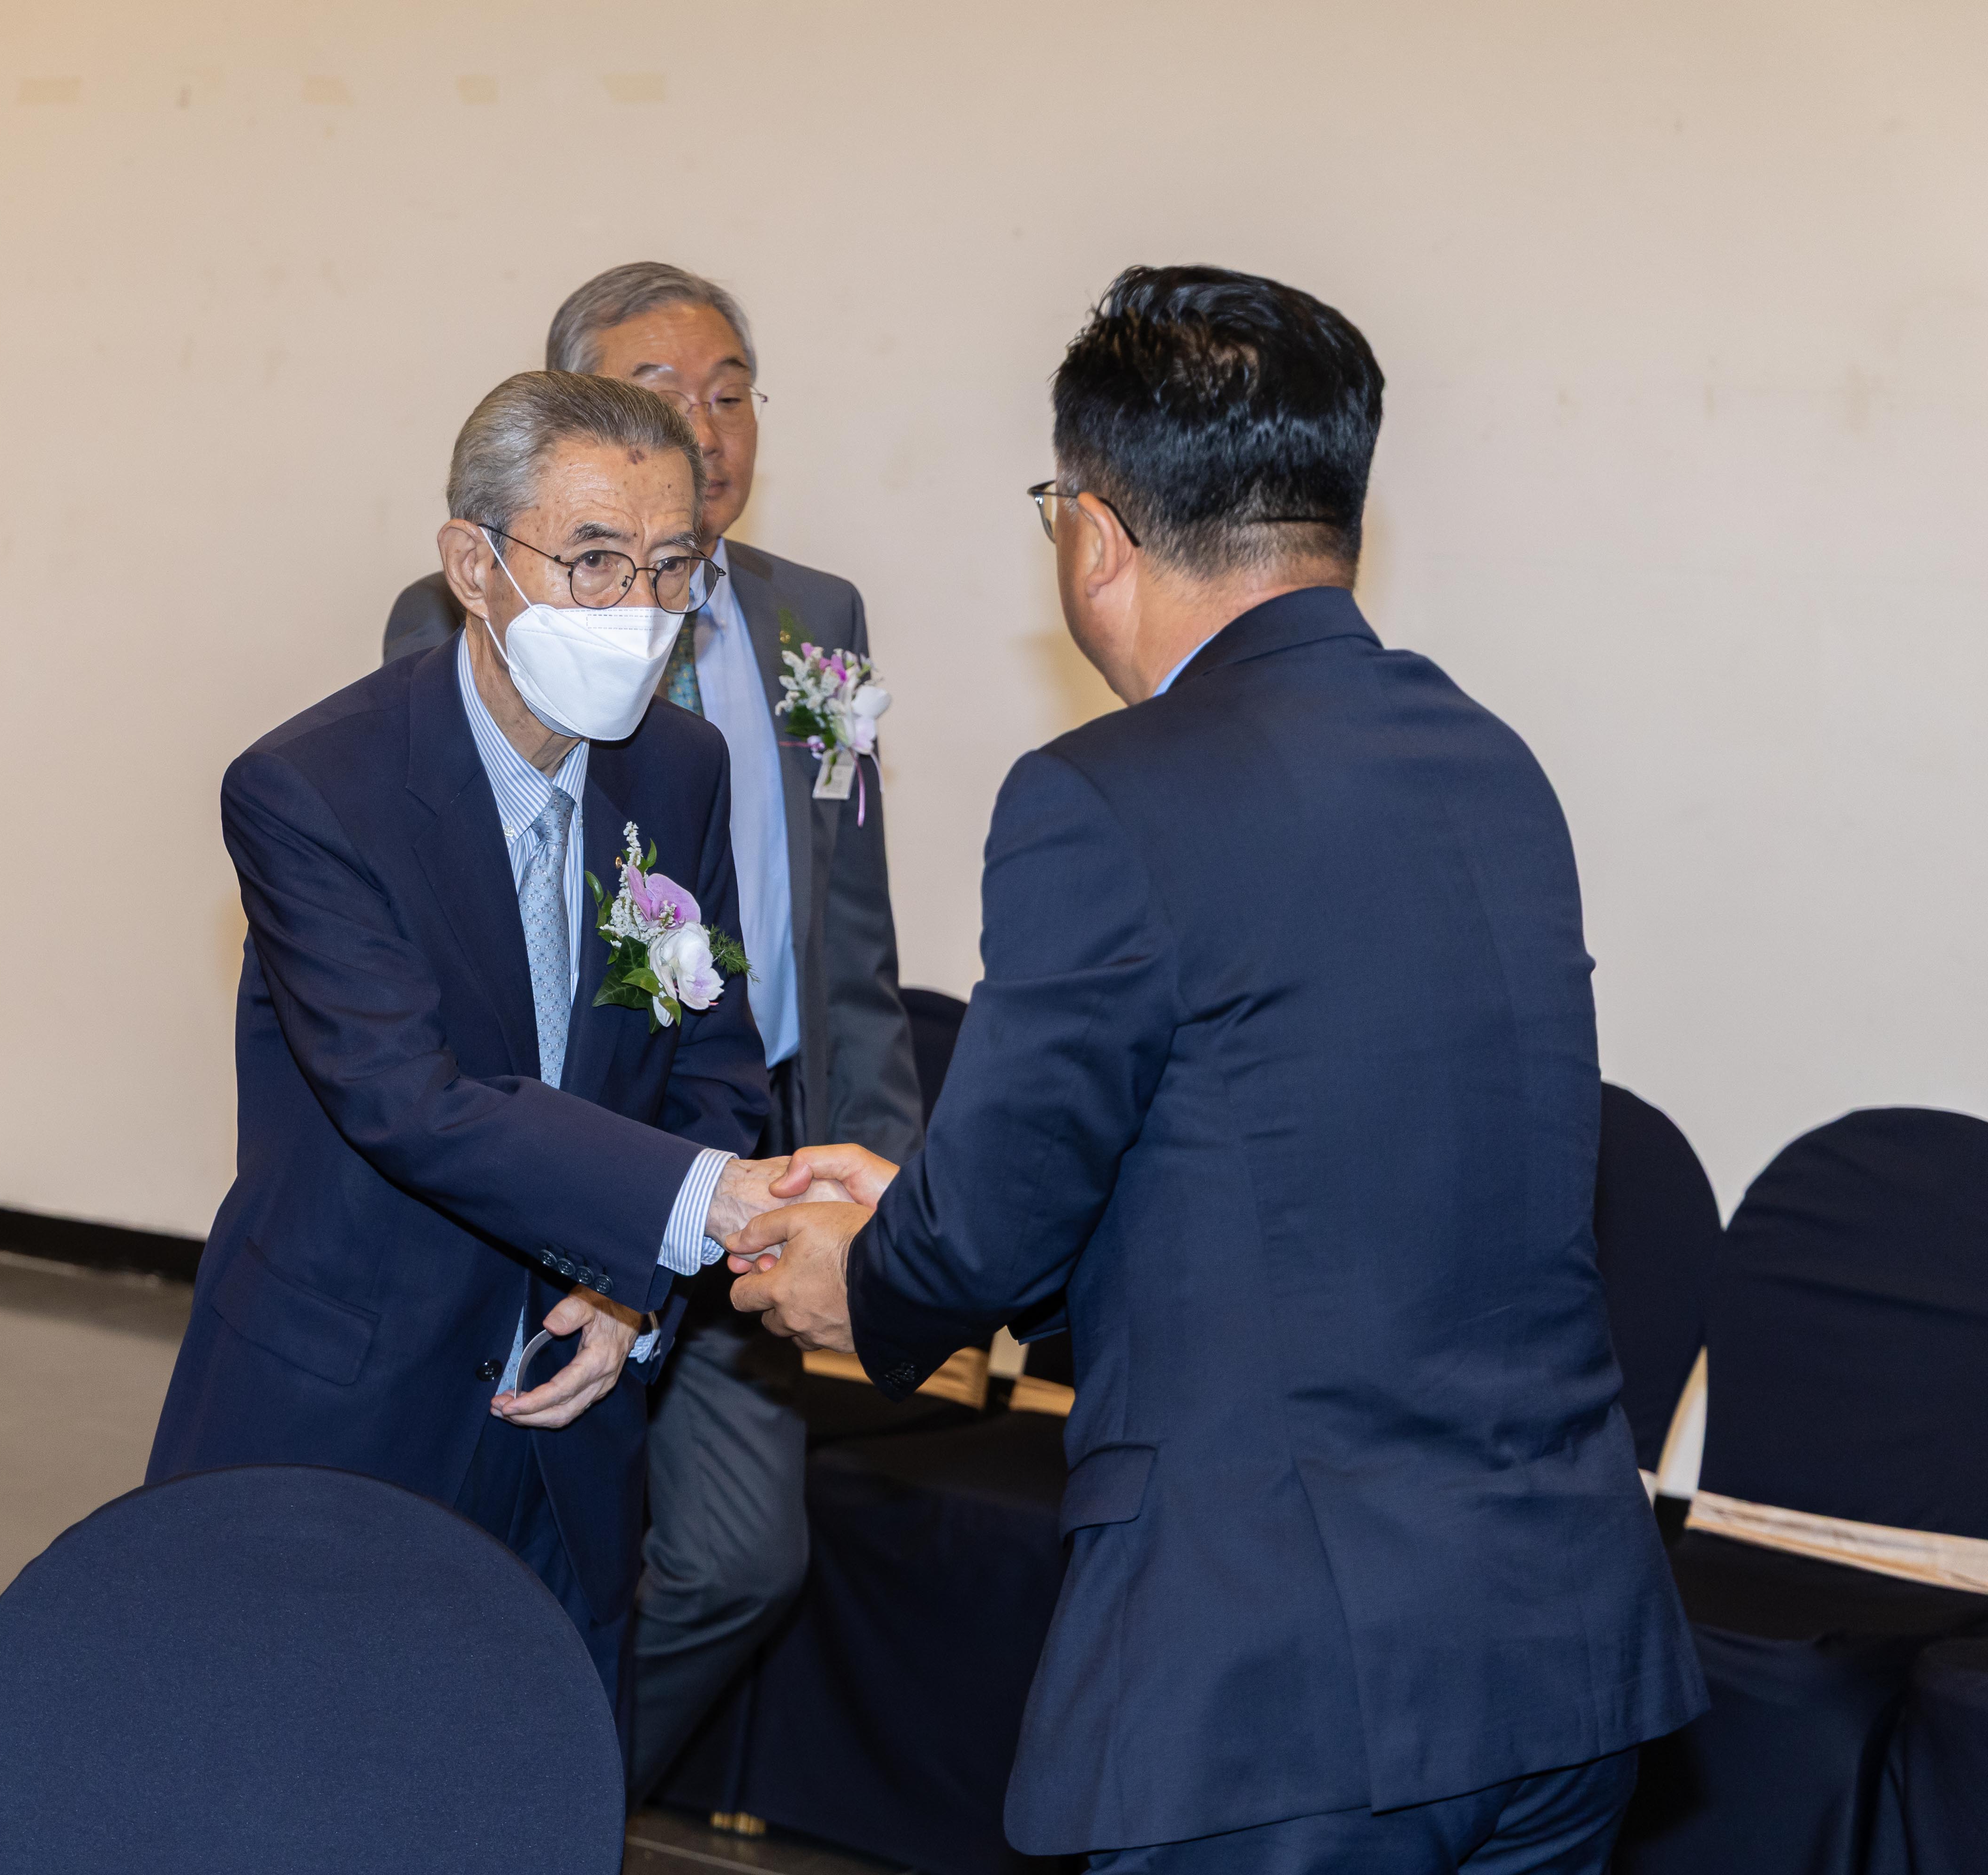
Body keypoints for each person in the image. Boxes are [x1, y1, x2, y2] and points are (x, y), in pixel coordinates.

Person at [730, 267, 1705, 1872]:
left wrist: (875, 1275)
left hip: (1287, 1688)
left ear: (1096, 537)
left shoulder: (1105, 797)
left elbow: (989, 1234)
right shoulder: (1489, 763)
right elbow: (1299, 1177)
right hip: (1558, 1656)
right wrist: (929, 1206)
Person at [150, 370, 818, 1709]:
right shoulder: (313, 789)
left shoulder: (679, 767)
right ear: (473, 563)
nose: (639, 609)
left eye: (671, 567)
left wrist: (630, 1290)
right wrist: (703, 1203)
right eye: (594, 561)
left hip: (574, 1408)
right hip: (348, 1400)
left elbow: (714, 1057)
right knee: (280, 1767)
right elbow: (412, 1101)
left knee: (533, 1767)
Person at [384, 262, 922, 1795]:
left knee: (741, 1555)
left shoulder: (819, 618)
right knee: (502, 1523)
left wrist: (881, 1168)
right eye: (662, 392)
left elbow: (852, 925)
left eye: (731, 391)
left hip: (757, 1149)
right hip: (560, 1152)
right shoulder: (456, 616)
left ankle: (547, 1792)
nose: (707, 424)